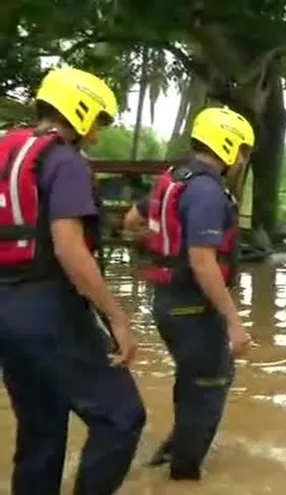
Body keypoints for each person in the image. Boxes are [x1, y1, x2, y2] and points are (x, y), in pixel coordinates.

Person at [0, 67, 145, 494]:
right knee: (122, 416)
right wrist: (117, 318)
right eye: (99, 119)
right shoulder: (64, 161)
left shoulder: (6, 147)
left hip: (6, 311)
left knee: (41, 426)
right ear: (80, 109)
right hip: (47, 307)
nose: (98, 130)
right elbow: (69, 248)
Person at [122, 106, 254, 481]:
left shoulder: (174, 179)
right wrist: (234, 323)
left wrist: (160, 245)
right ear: (227, 145)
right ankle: (183, 477)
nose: (243, 160)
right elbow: (203, 262)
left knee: (197, 378)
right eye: (242, 150)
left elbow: (132, 221)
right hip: (192, 307)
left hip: (166, 302)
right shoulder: (208, 191)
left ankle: (168, 453)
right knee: (210, 386)